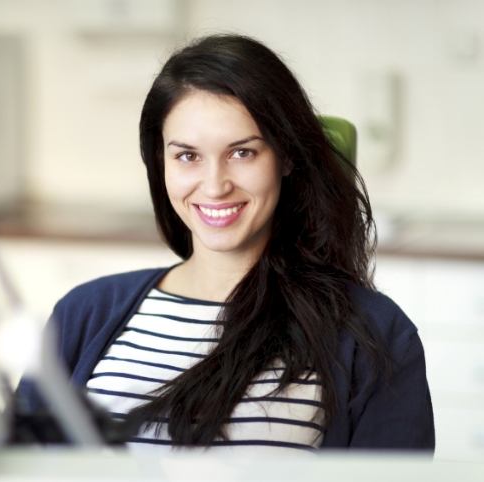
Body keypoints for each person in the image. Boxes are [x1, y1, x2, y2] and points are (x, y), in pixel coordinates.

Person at [34, 34, 435, 452]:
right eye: (187, 156)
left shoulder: (375, 335)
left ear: (286, 156)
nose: (215, 185)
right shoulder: (83, 313)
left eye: (242, 153)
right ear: (160, 163)